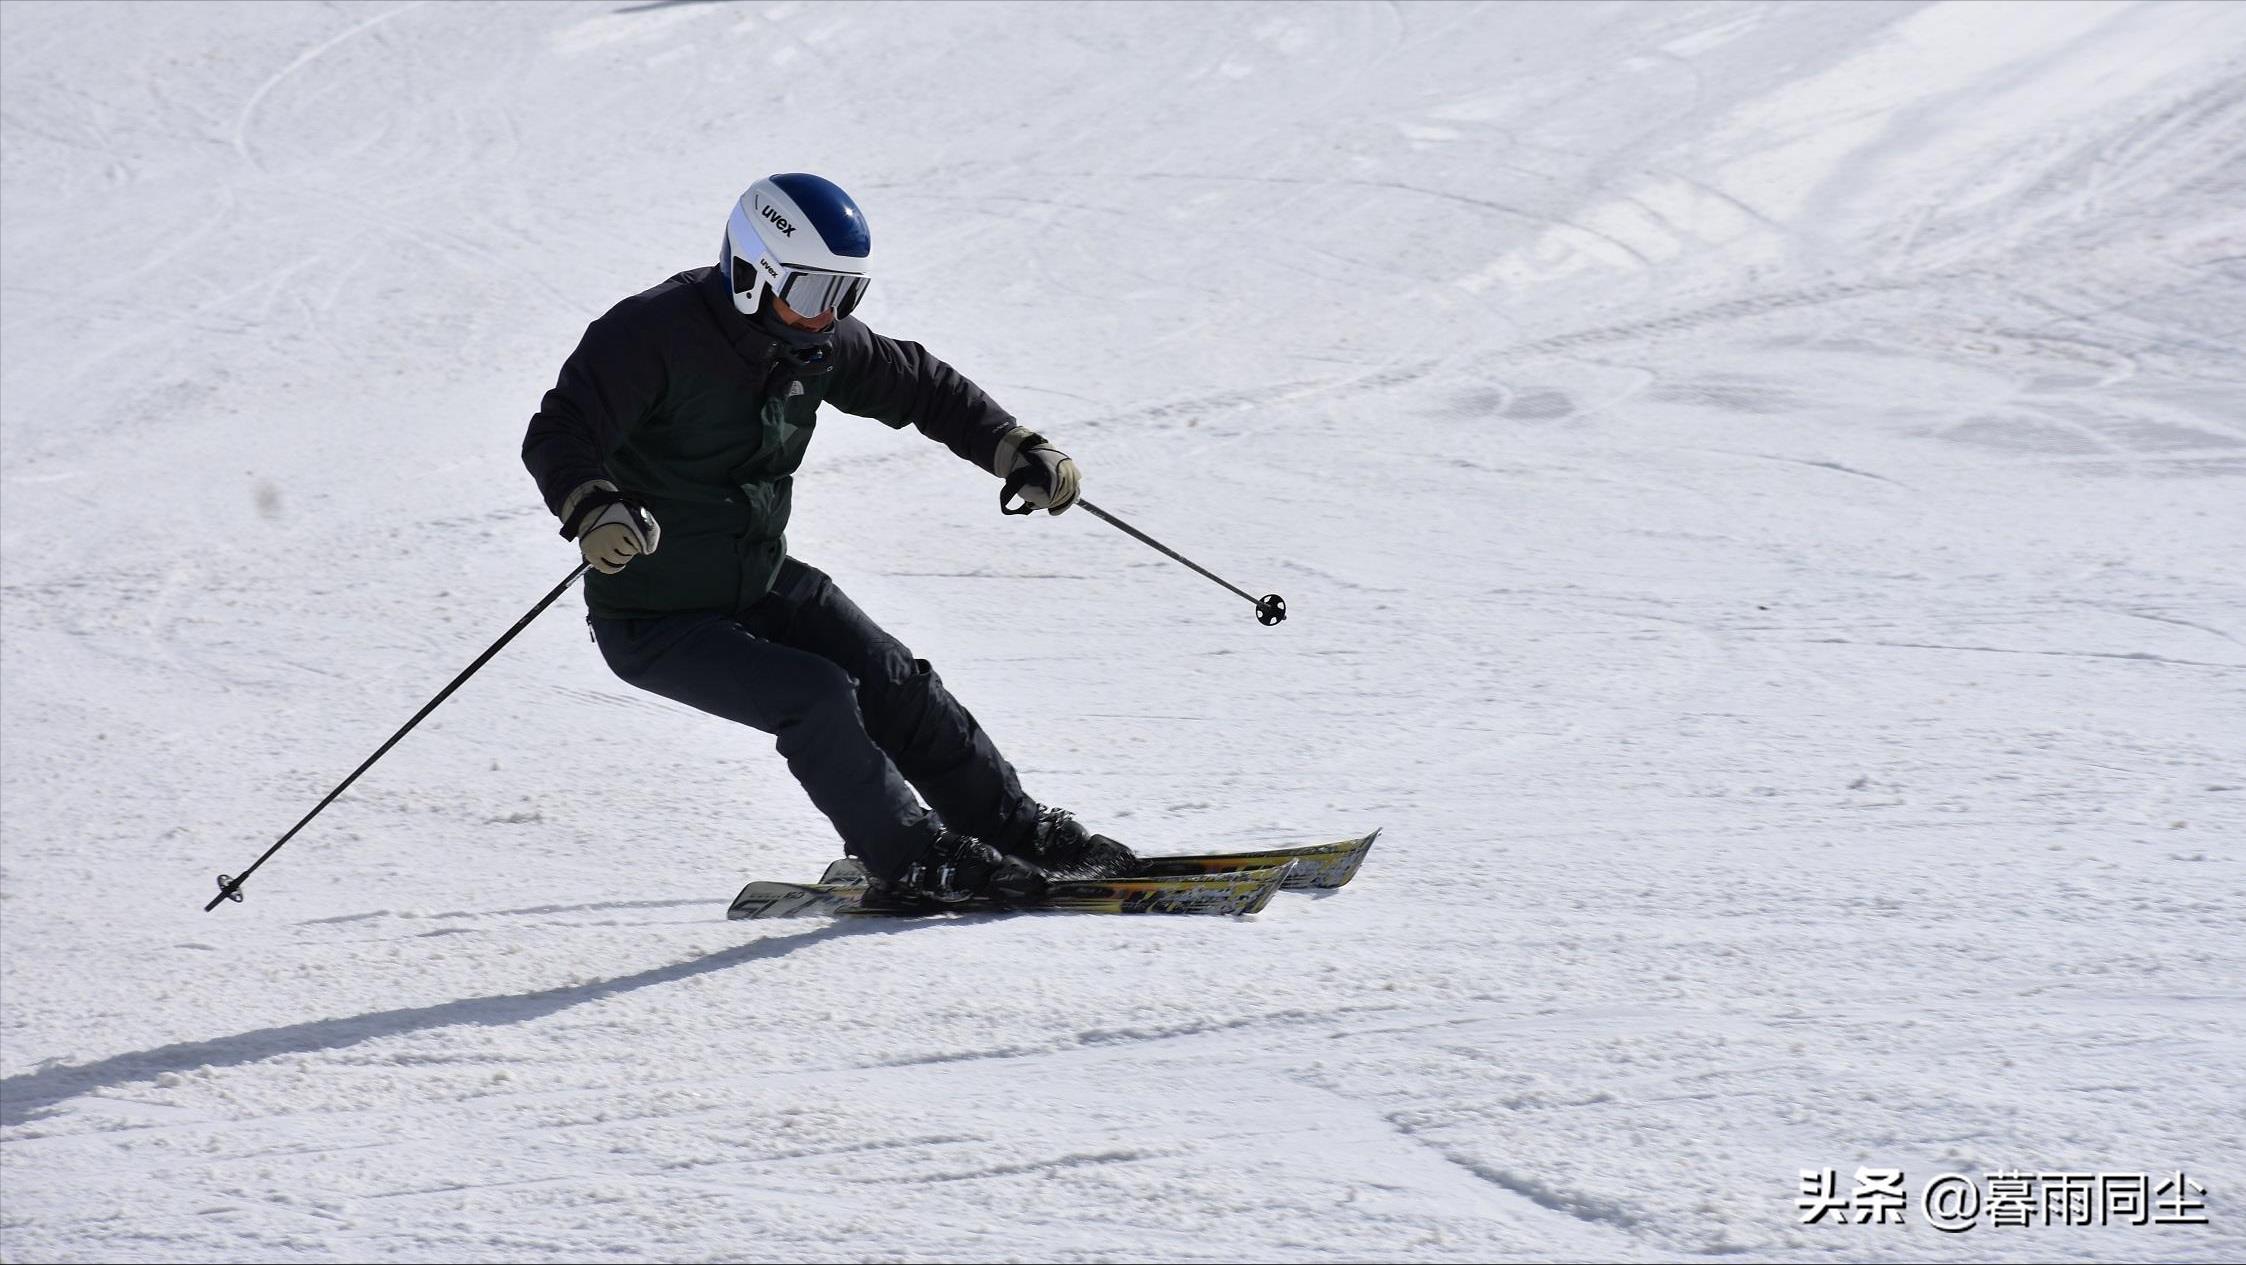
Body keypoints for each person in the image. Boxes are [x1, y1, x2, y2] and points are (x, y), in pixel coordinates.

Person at [522, 172, 1135, 907]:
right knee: (814, 695)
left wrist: (1012, 445)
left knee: (892, 676)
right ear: (751, 272)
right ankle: (908, 856)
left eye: (844, 296)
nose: (827, 317)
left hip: (759, 577)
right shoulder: (651, 335)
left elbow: (921, 386)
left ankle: (1012, 829)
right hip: (656, 614)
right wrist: (594, 508)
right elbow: (561, 428)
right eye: (812, 293)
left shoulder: (808, 343)